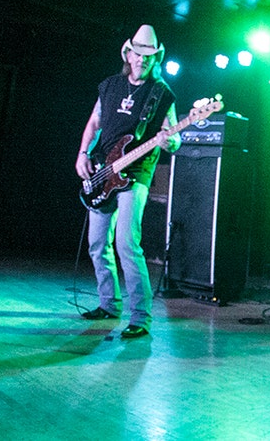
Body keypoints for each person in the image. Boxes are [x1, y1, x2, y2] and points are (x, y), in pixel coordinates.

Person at [75, 24, 180, 339]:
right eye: (138, 55)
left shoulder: (161, 93)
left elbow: (174, 138)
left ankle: (141, 317)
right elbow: (94, 123)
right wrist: (83, 154)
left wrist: (168, 142)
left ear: (155, 58)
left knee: (126, 244)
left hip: (135, 176)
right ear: (128, 54)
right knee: (97, 244)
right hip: (104, 172)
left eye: (149, 57)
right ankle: (109, 304)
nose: (142, 61)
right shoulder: (109, 86)